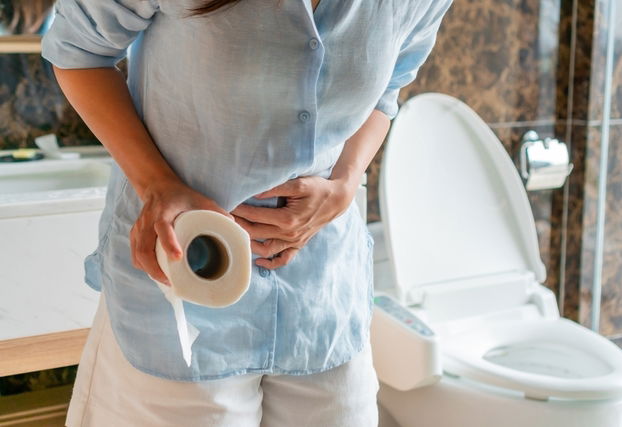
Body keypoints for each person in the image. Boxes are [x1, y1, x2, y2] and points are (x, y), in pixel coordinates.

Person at [41, 0, 452, 425]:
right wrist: (156, 183)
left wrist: (346, 181)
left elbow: (388, 90)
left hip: (320, 295)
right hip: (181, 291)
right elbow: (78, 53)